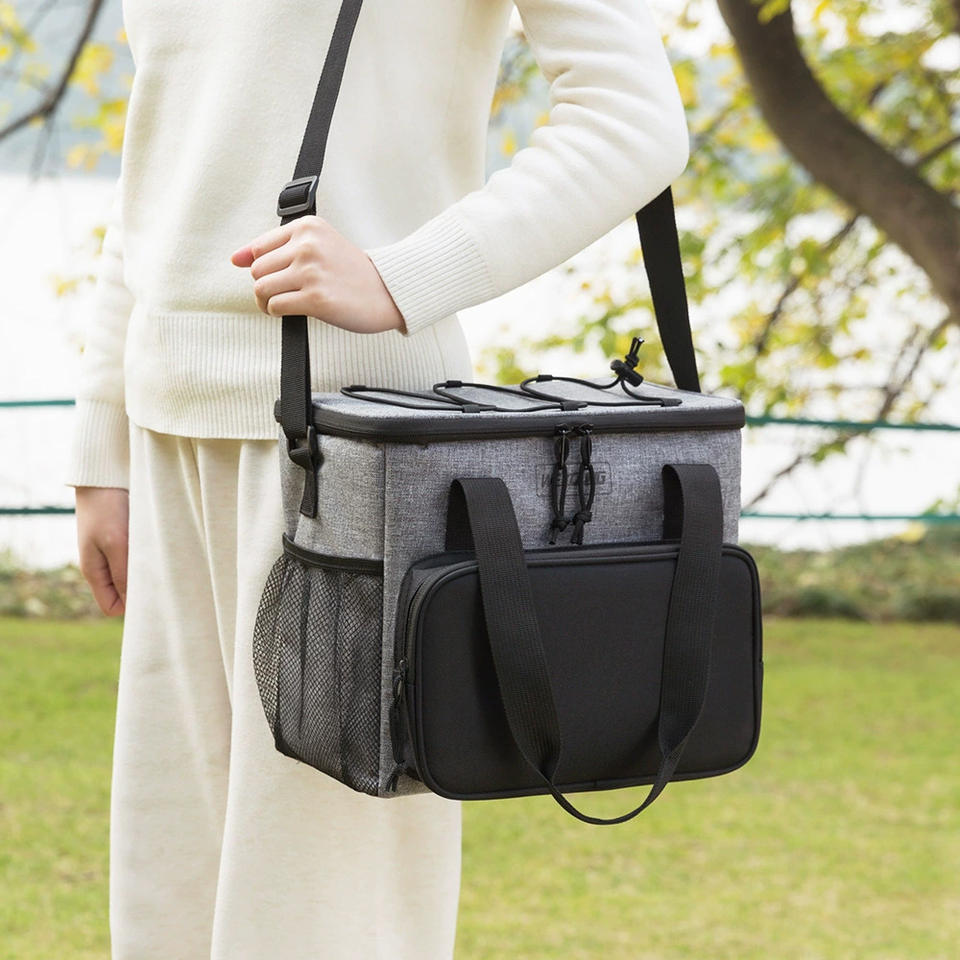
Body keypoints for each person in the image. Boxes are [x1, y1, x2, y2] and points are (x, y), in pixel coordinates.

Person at [65, 0, 690, 956]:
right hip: (167, 435)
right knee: (168, 910)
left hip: (355, 448)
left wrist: (404, 276)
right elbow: (163, 155)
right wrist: (104, 436)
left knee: (327, 917)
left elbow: (632, 116)